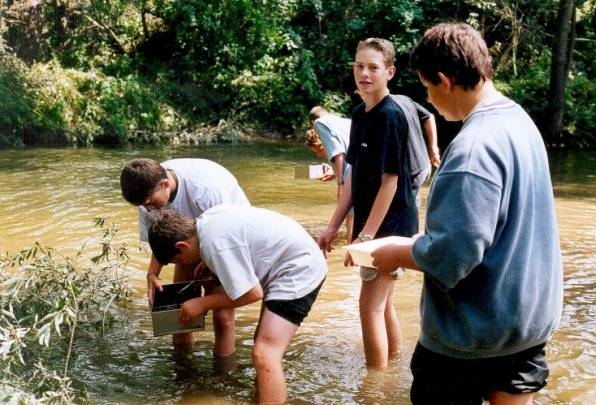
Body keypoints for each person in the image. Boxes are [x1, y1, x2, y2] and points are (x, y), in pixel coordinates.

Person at [371, 23, 563, 404]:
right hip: (526, 325)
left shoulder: (471, 150)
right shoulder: (520, 121)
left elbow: (452, 256)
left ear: (444, 80)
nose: (429, 98)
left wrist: (394, 251)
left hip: (470, 337)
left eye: (427, 87)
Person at [317, 38, 431, 369]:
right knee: (383, 304)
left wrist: (365, 238)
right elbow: (351, 177)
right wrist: (333, 227)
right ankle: (393, 365)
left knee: (369, 308)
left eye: (373, 68)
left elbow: (390, 182)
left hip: (390, 225)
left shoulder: (391, 115)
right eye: (359, 66)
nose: (364, 74)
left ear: (389, 72)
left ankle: (375, 389)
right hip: (373, 223)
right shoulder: (360, 112)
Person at [147, 206, 327, 404]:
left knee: (265, 354)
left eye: (178, 260)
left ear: (182, 246)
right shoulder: (206, 223)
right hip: (294, 258)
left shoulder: (215, 246)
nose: (184, 264)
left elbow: (252, 293)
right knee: (262, 346)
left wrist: (202, 303)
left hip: (299, 270)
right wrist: (210, 265)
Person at [120, 157, 250, 357]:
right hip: (186, 240)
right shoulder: (145, 194)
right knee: (178, 313)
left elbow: (227, 237)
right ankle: (182, 369)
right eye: (143, 207)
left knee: (222, 316)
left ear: (164, 185)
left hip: (227, 240)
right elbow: (160, 242)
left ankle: (223, 376)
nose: (148, 210)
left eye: (150, 204)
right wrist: (152, 273)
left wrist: (209, 273)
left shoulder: (207, 191)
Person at [307, 106, 354, 241]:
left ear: (312, 123)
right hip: (363, 172)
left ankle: (353, 256)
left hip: (350, 178)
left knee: (351, 217)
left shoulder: (320, 123)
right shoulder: (347, 122)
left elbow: (338, 153)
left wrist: (341, 183)